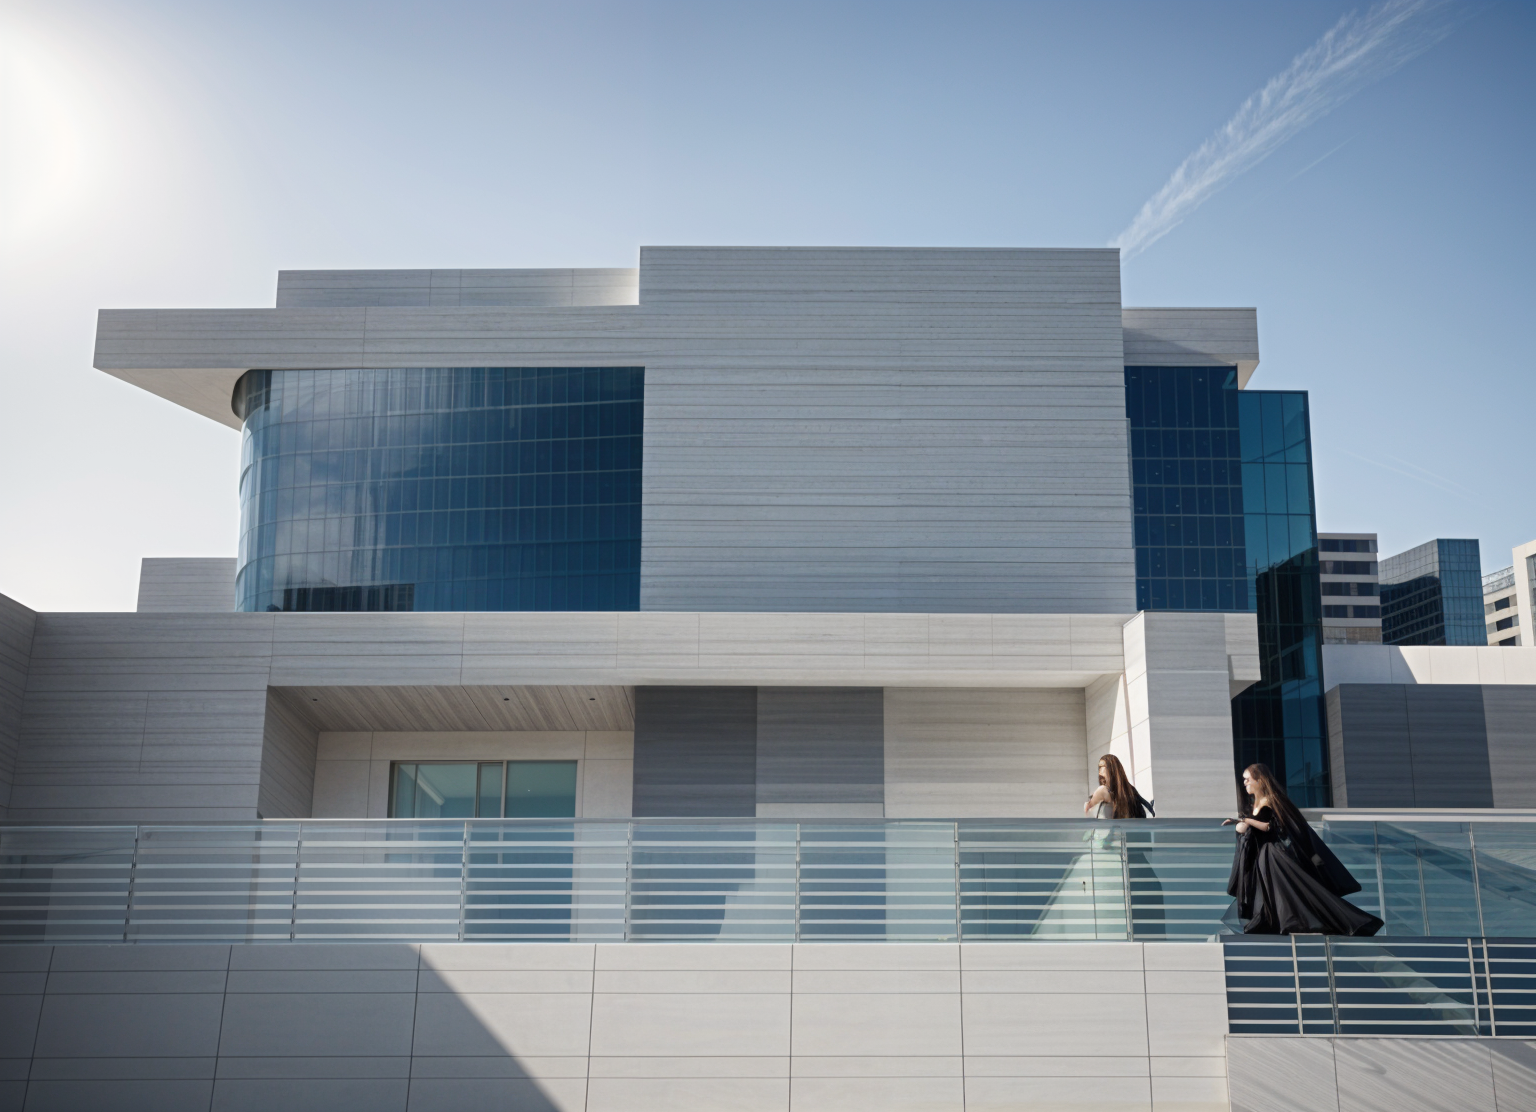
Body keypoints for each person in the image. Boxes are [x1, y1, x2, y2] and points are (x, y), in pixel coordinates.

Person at [1222, 763, 1383, 936]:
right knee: (1275, 893)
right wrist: (1242, 825)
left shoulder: (1272, 800)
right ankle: (1275, 923)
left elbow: (1271, 827)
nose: (1245, 783)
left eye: (1248, 779)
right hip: (1262, 857)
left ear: (1260, 780)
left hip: (1274, 856)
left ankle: (1342, 922)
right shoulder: (1254, 805)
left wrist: (1246, 821)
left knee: (1295, 891)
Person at [1083, 754, 1153, 819]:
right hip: (1124, 826)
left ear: (1110, 768)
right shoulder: (1128, 789)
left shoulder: (1102, 790)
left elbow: (1087, 809)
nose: (1099, 769)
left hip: (1106, 827)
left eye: (1101, 766)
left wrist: (1088, 803)